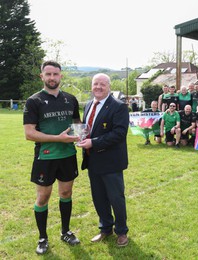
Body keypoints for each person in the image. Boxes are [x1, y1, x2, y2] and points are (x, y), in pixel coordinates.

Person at [23, 60, 81, 254]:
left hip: (68, 155)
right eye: (48, 74)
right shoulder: (34, 101)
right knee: (43, 197)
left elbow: (78, 125)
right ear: (42, 76)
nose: (52, 78)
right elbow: (29, 133)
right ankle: (42, 238)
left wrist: (83, 136)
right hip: (45, 157)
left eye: (55, 74)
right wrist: (59, 138)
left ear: (60, 76)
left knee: (66, 194)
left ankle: (65, 231)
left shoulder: (71, 99)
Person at [78, 73, 129, 247]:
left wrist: (93, 142)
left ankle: (121, 232)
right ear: (92, 86)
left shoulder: (119, 107)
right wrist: (79, 136)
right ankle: (105, 228)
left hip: (111, 161)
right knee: (98, 197)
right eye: (95, 84)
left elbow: (119, 134)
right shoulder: (89, 105)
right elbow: (87, 128)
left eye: (102, 84)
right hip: (93, 161)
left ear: (109, 86)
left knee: (116, 198)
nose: (98, 87)